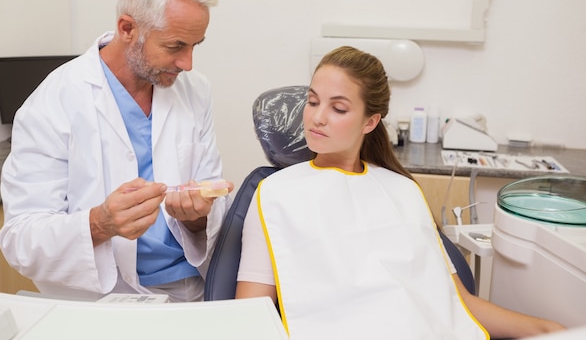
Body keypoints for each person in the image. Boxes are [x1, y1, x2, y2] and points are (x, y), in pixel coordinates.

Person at [235, 46, 565, 339]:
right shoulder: (274, 193)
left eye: (338, 108)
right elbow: (249, 316)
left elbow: (456, 302)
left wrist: (548, 330)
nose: (317, 118)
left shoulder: (402, 191)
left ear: (370, 122)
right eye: (313, 101)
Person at [0, 0, 233, 302]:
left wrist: (197, 217)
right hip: (97, 299)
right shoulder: (53, 101)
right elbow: (19, 238)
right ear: (127, 29)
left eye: (195, 46)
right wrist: (99, 223)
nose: (188, 63)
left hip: (188, 290)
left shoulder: (195, 91)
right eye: (175, 46)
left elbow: (209, 204)